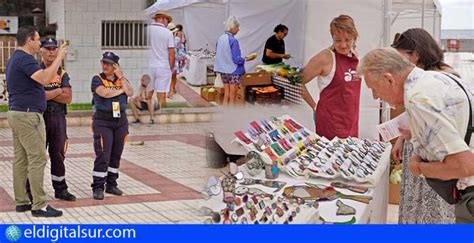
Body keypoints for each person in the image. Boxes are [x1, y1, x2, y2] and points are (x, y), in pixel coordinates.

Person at [358, 47, 474, 224]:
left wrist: (418, 168)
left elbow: (464, 166)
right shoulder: (437, 78)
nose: (375, 97)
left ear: (388, 79)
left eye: (374, 89)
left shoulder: (418, 99)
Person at [390, 28, 460, 224]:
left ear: (417, 54)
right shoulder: (424, 77)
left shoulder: (444, 77)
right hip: (419, 153)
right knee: (415, 209)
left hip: (435, 160)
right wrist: (401, 138)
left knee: (432, 212)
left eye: (402, 58)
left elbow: (449, 123)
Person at [6, 26, 65, 217]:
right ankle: (38, 205)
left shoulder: (14, 58)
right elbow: (46, 78)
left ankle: (22, 202)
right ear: (29, 40)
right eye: (38, 40)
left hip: (17, 113)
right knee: (38, 158)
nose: (40, 44)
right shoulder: (25, 59)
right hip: (29, 116)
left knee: (21, 159)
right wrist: (59, 58)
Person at [301, 15, 361, 139]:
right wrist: (314, 106)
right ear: (332, 37)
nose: (343, 45)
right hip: (330, 123)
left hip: (351, 121)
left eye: (347, 40)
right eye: (338, 40)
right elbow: (296, 82)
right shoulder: (325, 58)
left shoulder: (355, 56)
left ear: (354, 38)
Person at [90, 52, 133, 200]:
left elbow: (131, 92)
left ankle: (111, 184)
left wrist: (121, 77)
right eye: (104, 62)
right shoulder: (97, 79)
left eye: (109, 64)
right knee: (103, 154)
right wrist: (121, 90)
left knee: (116, 154)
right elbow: (104, 93)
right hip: (103, 121)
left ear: (116, 66)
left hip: (120, 121)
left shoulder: (121, 79)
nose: (105, 66)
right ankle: (98, 186)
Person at [39, 38, 76, 201]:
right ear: (41, 51)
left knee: (58, 155)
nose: (52, 51)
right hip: (40, 117)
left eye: (54, 48)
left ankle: (60, 189)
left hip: (58, 117)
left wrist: (49, 95)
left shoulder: (62, 73)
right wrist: (58, 91)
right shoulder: (36, 71)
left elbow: (68, 98)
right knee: (37, 156)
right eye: (48, 48)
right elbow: (38, 96)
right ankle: (31, 189)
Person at [214, 16, 256, 106]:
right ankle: (231, 116)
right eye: (237, 27)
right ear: (233, 27)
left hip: (223, 70)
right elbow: (237, 59)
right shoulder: (233, 40)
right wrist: (246, 59)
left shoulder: (220, 38)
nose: (238, 30)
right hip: (233, 71)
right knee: (233, 96)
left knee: (226, 94)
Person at [147, 10, 175, 121]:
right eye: (167, 21)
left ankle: (149, 117)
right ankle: (162, 118)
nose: (167, 23)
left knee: (148, 94)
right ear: (163, 19)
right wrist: (171, 66)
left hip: (148, 66)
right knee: (161, 95)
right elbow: (171, 52)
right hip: (163, 66)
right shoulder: (167, 33)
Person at [167, 23, 187, 99]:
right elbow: (181, 48)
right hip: (173, 59)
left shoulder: (173, 39)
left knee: (172, 75)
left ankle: (171, 90)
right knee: (173, 75)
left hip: (172, 58)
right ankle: (172, 90)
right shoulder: (176, 39)